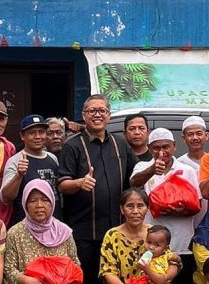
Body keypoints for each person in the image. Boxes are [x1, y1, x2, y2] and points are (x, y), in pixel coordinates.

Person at [58, 94, 138, 283]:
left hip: (117, 232)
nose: (97, 115)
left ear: (109, 115)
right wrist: (79, 183)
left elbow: (135, 177)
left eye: (102, 110)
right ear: (84, 115)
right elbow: (62, 184)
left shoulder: (120, 144)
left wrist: (152, 169)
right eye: (92, 111)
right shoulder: (72, 146)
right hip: (84, 233)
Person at [130, 127, 199, 282]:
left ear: (174, 146)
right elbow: (134, 184)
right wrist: (152, 170)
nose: (161, 151)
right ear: (149, 148)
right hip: (151, 247)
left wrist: (177, 211)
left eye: (166, 147)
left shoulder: (187, 170)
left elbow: (197, 206)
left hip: (182, 243)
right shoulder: (142, 167)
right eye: (156, 147)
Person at [3, 179, 78, 284]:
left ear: (52, 202)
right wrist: (27, 280)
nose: (39, 205)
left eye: (45, 200)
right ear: (25, 204)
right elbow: (8, 270)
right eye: (33, 201)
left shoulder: (64, 231)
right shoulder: (15, 233)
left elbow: (75, 265)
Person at [0, 115, 59, 225]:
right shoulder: (15, 161)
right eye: (32, 133)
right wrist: (19, 175)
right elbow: (5, 197)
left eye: (41, 132)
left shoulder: (53, 158)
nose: (37, 136)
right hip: (26, 228)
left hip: (52, 225)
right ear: (22, 136)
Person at [99, 189, 162, 283]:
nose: (135, 211)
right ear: (122, 209)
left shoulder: (156, 232)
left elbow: (169, 261)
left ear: (147, 208)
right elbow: (108, 272)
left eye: (140, 206)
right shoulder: (112, 235)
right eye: (130, 206)